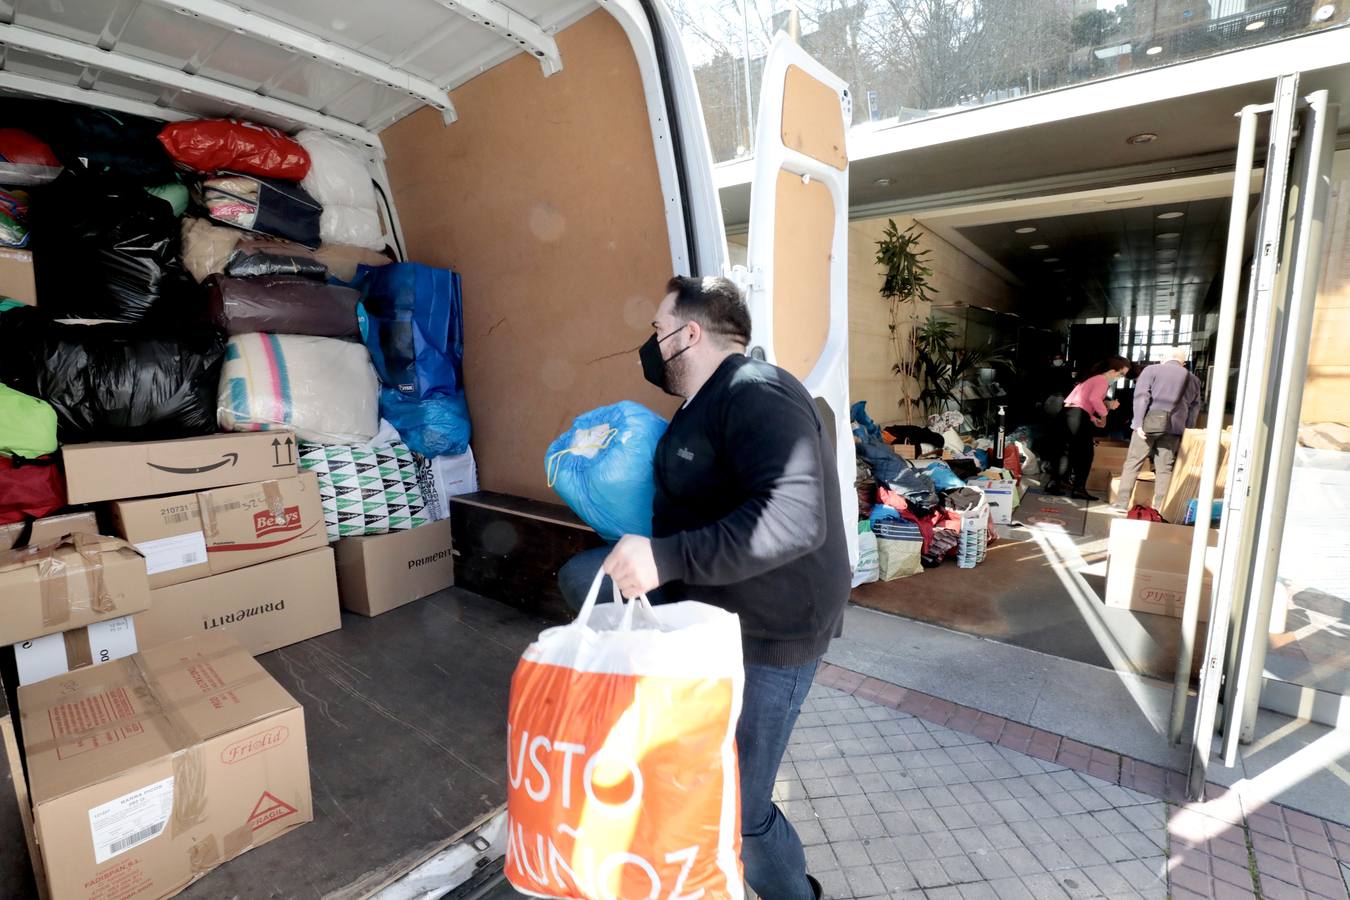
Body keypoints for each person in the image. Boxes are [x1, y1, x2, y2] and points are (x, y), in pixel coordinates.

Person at [557, 275, 850, 900]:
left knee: (741, 808)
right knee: (584, 578)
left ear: (689, 334)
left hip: (774, 630)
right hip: (715, 611)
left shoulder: (756, 391)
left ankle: (793, 891)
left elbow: (794, 518)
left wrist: (665, 560)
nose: (650, 345)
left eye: (657, 330)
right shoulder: (696, 408)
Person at [1112, 346, 1203, 512]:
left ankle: (1122, 503)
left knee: (1133, 462)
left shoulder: (1151, 370)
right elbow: (1195, 407)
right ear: (1183, 363)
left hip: (1148, 426)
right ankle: (1160, 507)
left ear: (1163, 358)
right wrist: (1188, 429)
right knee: (1165, 469)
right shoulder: (1194, 380)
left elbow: (1141, 397)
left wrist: (1138, 423)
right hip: (1174, 429)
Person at [1045, 355, 1131, 500]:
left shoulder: (1091, 379)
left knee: (1066, 451)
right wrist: (1104, 415)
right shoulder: (1102, 381)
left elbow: (1080, 403)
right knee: (1085, 454)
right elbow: (1094, 400)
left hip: (1068, 414)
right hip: (1077, 416)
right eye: (1121, 374)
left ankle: (1055, 483)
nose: (1120, 377)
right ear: (1112, 370)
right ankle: (1078, 489)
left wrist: (1092, 418)